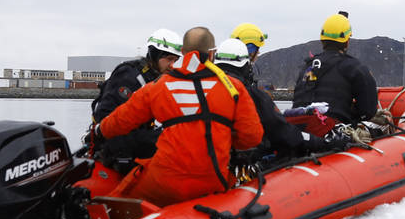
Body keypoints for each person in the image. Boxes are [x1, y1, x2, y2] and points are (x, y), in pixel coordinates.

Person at [95, 27, 264, 206]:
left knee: (120, 199)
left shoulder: (158, 86)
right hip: (213, 180)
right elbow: (252, 136)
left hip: (164, 182)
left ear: (183, 52)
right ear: (213, 54)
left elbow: (120, 120)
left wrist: (98, 132)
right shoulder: (234, 88)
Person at [216, 37, 347, 157]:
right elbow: (283, 131)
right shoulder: (254, 96)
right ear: (246, 64)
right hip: (244, 162)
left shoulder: (204, 89)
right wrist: (323, 143)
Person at [292, 11, 379, 125]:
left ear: (322, 39)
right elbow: (368, 111)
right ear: (347, 41)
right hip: (331, 131)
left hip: (299, 129)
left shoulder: (308, 67)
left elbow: (301, 99)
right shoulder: (354, 67)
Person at [91, 28, 182, 123]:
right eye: (169, 59)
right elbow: (105, 117)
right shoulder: (128, 74)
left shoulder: (153, 78)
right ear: (155, 55)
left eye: (175, 61)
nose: (172, 66)